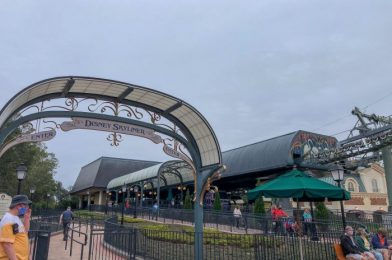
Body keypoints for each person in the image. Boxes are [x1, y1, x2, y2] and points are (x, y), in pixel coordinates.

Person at [0, 194, 32, 260]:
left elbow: (24, 232)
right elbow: (7, 244)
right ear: (18, 206)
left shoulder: (15, 218)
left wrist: (27, 218)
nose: (27, 208)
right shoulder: (8, 219)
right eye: (26, 205)